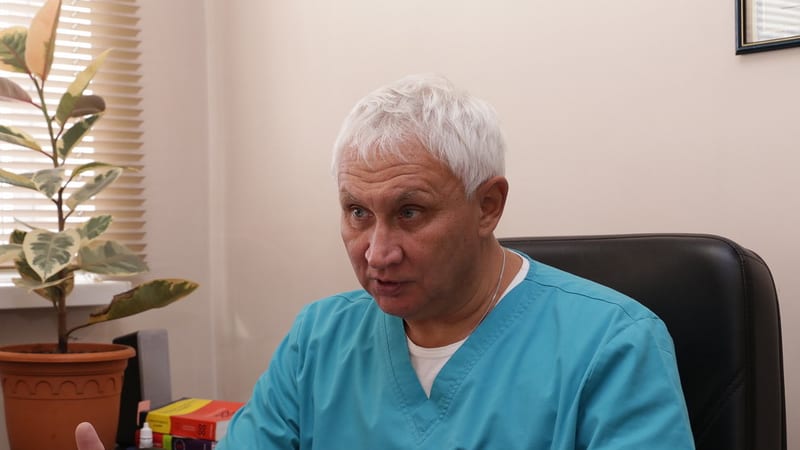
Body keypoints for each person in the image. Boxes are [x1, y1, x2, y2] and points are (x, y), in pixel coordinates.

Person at [76, 74, 695, 449]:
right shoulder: (320, 339)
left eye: (410, 212)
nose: (376, 252)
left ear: (487, 206)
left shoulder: (613, 345)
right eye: (356, 212)